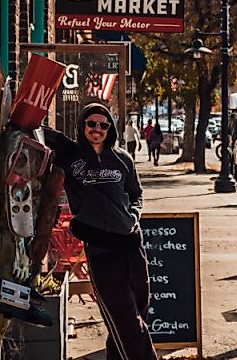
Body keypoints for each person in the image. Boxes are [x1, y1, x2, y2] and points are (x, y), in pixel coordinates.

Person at [43, 103, 157, 360]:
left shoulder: (122, 160)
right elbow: (44, 133)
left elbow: (136, 193)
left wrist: (133, 217)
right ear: (82, 126)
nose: (97, 129)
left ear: (110, 129)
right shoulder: (72, 158)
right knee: (126, 319)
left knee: (138, 310)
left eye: (103, 125)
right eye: (91, 124)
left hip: (131, 244)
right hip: (101, 248)